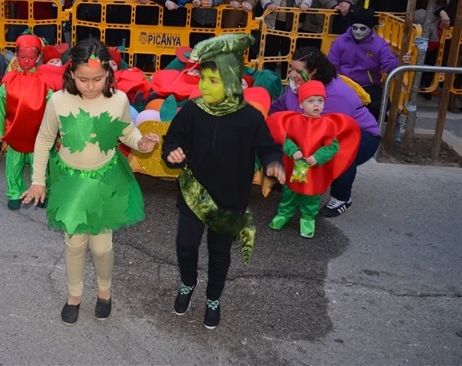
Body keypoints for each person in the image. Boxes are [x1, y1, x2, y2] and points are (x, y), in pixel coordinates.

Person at [21, 39, 160, 325]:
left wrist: (142, 143)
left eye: (98, 79)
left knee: (100, 246)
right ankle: (74, 295)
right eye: (83, 79)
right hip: (70, 181)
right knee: (74, 242)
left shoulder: (118, 100)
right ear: (71, 73)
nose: (91, 86)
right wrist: (37, 180)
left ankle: (104, 291)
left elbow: (126, 132)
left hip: (104, 180)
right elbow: (44, 139)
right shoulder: (58, 101)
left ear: (108, 73)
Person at [162, 34, 285, 330]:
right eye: (202, 78)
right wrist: (172, 152)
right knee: (186, 245)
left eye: (212, 80)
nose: (204, 86)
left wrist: (272, 163)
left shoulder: (250, 118)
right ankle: (188, 282)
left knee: (219, 252)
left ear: (231, 81)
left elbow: (267, 147)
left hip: (230, 198)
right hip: (194, 193)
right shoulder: (192, 110)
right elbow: (173, 139)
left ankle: (213, 298)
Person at [271, 47, 381, 218]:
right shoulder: (298, 86)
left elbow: (333, 133)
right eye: (292, 69)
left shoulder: (336, 95)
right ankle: (293, 182)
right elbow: (277, 109)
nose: (292, 74)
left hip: (359, 135)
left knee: (338, 152)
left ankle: (342, 198)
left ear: (314, 71)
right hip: (311, 131)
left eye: (298, 71)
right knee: (281, 139)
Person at [267, 80, 360, 238]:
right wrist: (293, 150)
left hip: (314, 170)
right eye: (310, 101)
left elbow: (332, 147)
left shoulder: (328, 125)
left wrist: (317, 157)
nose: (316, 104)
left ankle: (308, 219)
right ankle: (284, 214)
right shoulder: (293, 121)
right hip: (295, 167)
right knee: (290, 192)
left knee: (311, 195)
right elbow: (285, 139)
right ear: (301, 104)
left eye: (320, 100)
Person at [0, 34, 53, 209]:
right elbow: (0, 106)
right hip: (15, 131)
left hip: (37, 133)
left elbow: (52, 108)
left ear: (38, 57)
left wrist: (54, 131)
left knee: (39, 164)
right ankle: (14, 192)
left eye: (31, 57)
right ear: (16, 55)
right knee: (14, 164)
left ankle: (41, 191)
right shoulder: (9, 80)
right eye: (22, 56)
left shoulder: (44, 82)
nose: (26, 61)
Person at [328, 10, 399, 119]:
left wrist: (400, 61)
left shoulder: (380, 44)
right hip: (343, 83)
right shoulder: (340, 41)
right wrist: (337, 82)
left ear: (370, 28)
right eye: (355, 28)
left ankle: (370, 126)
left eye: (362, 28)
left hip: (368, 85)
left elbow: (388, 66)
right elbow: (331, 65)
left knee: (381, 104)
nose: (358, 32)